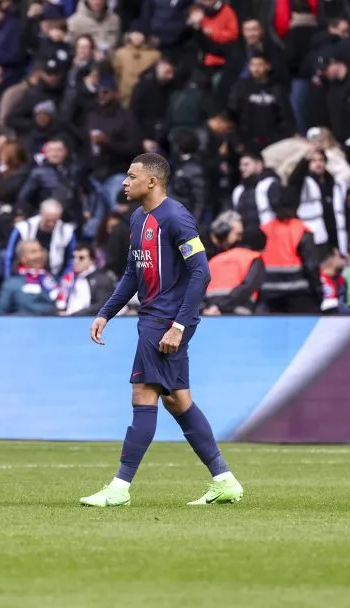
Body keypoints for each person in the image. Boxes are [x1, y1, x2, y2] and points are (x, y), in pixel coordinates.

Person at [84, 153, 243, 508]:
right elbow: (132, 272)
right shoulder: (139, 218)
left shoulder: (177, 217)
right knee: (177, 400)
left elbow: (201, 272)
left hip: (164, 322)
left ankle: (119, 487)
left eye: (131, 175)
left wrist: (178, 325)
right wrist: (106, 313)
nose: (124, 182)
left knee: (143, 395)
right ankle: (224, 479)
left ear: (152, 181)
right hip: (154, 319)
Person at [203, 211, 264, 316]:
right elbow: (247, 287)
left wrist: (207, 309)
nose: (240, 238)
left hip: (214, 315)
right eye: (237, 234)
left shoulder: (210, 261)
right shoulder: (252, 258)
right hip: (237, 316)